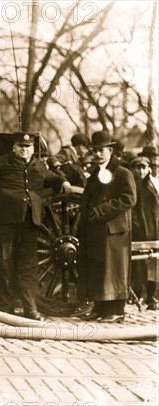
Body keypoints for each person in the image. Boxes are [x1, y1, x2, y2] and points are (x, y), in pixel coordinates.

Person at [0, 133, 72, 320]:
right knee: (5, 264)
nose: (24, 149)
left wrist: (64, 181)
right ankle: (5, 309)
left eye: (27, 146)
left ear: (33, 149)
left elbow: (53, 178)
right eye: (20, 146)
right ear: (14, 148)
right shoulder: (3, 163)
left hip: (30, 222)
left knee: (28, 266)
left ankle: (30, 309)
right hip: (5, 221)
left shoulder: (39, 166)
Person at [77, 131, 137, 323]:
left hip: (114, 231)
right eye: (95, 151)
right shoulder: (94, 174)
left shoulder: (122, 172)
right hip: (96, 229)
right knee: (98, 268)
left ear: (110, 150)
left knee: (115, 270)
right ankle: (100, 308)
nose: (97, 154)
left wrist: (102, 210)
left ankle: (117, 310)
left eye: (101, 150)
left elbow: (129, 199)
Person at [129, 156, 159, 311]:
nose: (140, 171)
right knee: (139, 265)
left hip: (154, 231)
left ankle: (152, 297)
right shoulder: (132, 185)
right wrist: (136, 225)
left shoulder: (152, 185)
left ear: (148, 169)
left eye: (143, 168)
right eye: (137, 168)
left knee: (154, 263)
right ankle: (141, 295)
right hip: (139, 232)